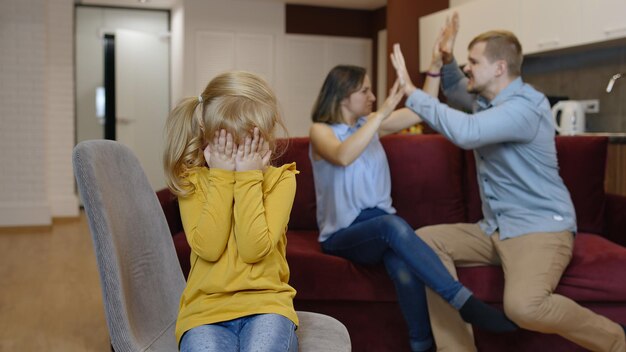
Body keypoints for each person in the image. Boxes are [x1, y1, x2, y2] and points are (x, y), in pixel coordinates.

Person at [391, 13, 626, 352]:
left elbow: (467, 132)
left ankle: (617, 339)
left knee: (523, 307)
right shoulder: (487, 102)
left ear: (499, 67)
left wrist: (413, 92)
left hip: (540, 228)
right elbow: (457, 91)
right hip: (495, 228)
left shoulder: (526, 107)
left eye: (473, 61)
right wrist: (446, 58)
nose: (468, 67)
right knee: (424, 244)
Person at [308, 55, 517, 352]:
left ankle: (422, 346)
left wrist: (433, 67)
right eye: (365, 91)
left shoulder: (370, 125)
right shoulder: (322, 131)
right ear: (344, 95)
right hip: (343, 235)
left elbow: (421, 108)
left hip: (382, 229)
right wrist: (380, 115)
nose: (373, 96)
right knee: (392, 225)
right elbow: (343, 155)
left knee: (405, 271)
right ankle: (463, 301)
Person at [163, 71, 299, 352]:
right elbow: (209, 248)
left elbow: (253, 249)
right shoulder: (194, 181)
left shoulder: (282, 180)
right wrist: (222, 179)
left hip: (267, 305)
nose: (241, 156)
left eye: (252, 144)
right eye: (232, 145)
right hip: (205, 312)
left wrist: (249, 178)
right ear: (211, 137)